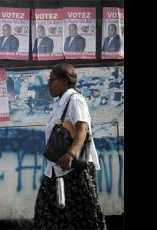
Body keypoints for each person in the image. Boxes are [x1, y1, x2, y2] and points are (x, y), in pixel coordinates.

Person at [34, 63, 106, 229]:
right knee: (48, 212)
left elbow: (82, 129)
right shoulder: (61, 102)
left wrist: (71, 155)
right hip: (56, 170)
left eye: (52, 80)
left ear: (64, 81)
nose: (48, 84)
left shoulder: (75, 99)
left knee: (83, 216)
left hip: (74, 170)